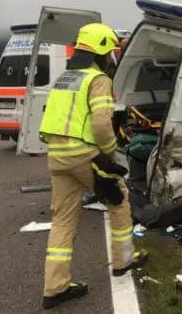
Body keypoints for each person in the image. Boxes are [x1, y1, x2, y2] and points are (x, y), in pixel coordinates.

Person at [39, 23, 147, 309]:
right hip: (85, 154)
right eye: (109, 51)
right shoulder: (97, 79)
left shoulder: (64, 78)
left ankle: (55, 287)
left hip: (57, 155)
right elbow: (101, 123)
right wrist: (110, 153)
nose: (111, 57)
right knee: (119, 199)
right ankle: (123, 261)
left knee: (62, 220)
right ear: (100, 49)